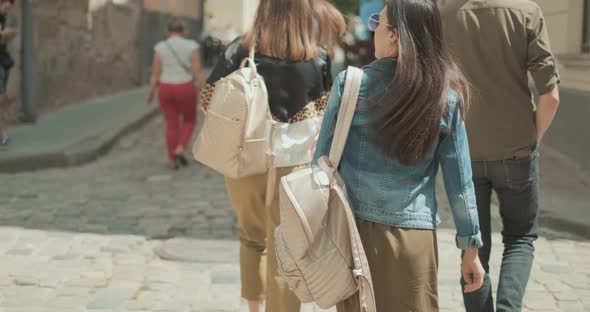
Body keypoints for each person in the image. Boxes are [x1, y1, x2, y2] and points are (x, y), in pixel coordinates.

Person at [313, 1, 486, 311]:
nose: (374, 28)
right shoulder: (445, 97)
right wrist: (469, 247)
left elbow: (320, 165)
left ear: (393, 35)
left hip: (355, 236)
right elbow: (460, 184)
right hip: (414, 241)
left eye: (378, 21)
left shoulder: (351, 85)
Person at [201, 1, 345, 311]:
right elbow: (325, 112)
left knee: (252, 238)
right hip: (294, 166)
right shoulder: (316, 56)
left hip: (245, 160)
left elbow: (208, 99)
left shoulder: (239, 49)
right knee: (290, 249)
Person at [441, 1, 561, 311]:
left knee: (473, 245)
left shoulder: (447, 17)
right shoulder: (526, 11)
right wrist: (530, 139)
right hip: (516, 150)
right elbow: (551, 96)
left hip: (466, 151)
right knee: (520, 239)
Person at [148, 18, 206, 169]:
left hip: (165, 88)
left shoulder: (160, 47)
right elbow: (197, 70)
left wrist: (150, 92)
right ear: (184, 31)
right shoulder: (192, 46)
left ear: (167, 31)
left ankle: (172, 159)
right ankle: (180, 148)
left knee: (171, 124)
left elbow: (155, 73)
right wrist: (205, 90)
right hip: (185, 87)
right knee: (189, 121)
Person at [0, 0, 16, 147]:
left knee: (2, 99)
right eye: (6, 7)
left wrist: (8, 34)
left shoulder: (3, 18)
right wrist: (3, 34)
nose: (7, 10)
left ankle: (3, 133)